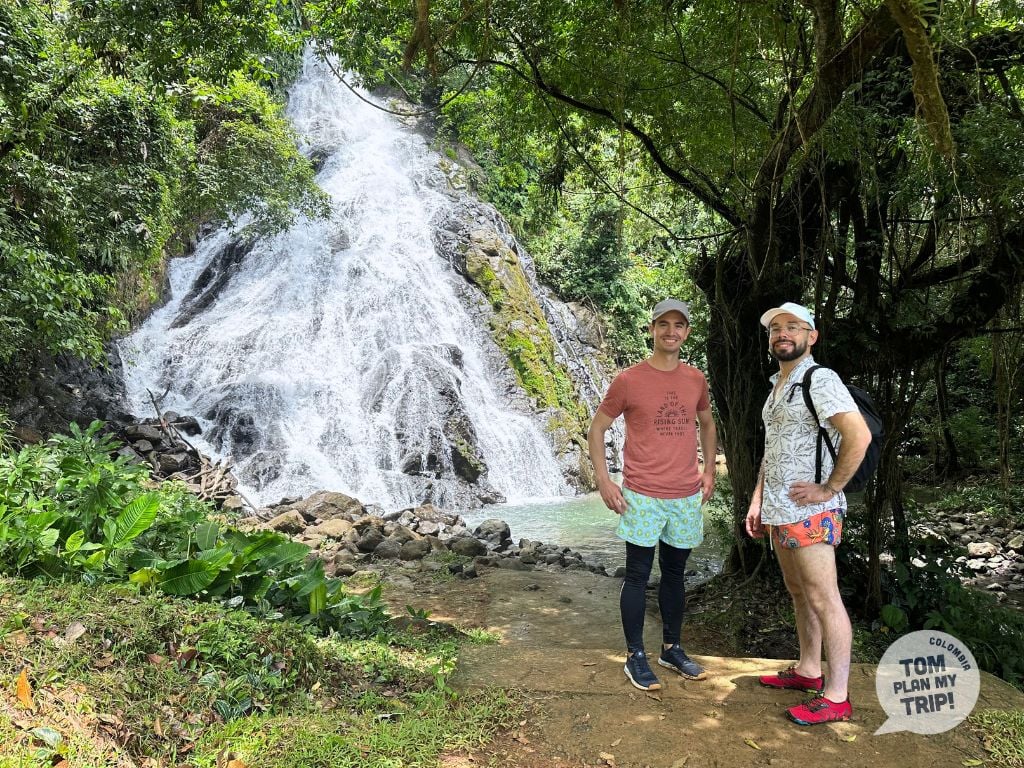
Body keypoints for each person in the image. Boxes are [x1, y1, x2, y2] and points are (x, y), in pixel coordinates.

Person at [745, 301, 871, 725]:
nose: (783, 333)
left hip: (811, 510)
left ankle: (837, 698)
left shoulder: (820, 379)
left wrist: (830, 488)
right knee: (799, 593)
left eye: (793, 326)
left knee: (823, 597)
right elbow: (773, 450)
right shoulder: (778, 385)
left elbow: (859, 435)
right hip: (781, 510)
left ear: (811, 336)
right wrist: (758, 499)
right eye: (776, 328)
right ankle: (808, 671)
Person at [587, 298, 718, 691]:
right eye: (664, 324)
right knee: (639, 576)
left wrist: (709, 471)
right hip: (641, 493)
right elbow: (597, 430)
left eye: (679, 325)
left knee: (675, 576)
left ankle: (671, 649)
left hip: (685, 494)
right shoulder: (628, 380)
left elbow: (708, 424)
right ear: (652, 329)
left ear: (687, 332)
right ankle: (635, 656)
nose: (671, 331)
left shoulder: (696, 379)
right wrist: (604, 481)